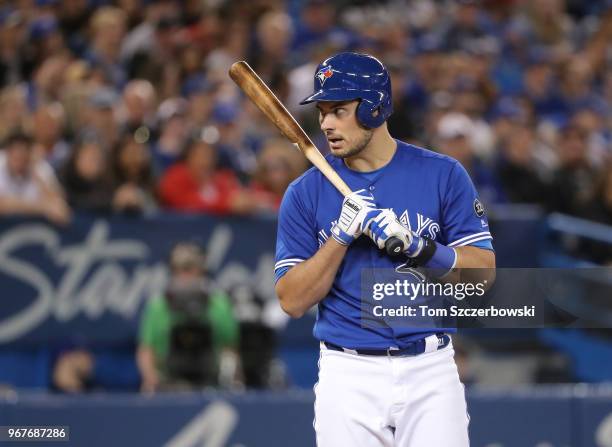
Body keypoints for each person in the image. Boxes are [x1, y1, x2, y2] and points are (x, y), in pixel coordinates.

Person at [274, 53, 496, 446]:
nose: (325, 123)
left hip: (430, 367)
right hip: (348, 373)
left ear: (375, 109)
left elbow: (482, 276)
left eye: (339, 110)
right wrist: (340, 238)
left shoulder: (441, 174)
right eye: (323, 112)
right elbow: (291, 300)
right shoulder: (305, 192)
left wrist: (419, 248)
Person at [137, 242, 240, 393]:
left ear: (201, 270)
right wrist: (151, 381)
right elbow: (146, 351)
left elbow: (230, 348)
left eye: (189, 269)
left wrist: (234, 382)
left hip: (211, 382)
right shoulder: (158, 306)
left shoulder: (219, 304)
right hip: (167, 381)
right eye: (176, 269)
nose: (183, 275)